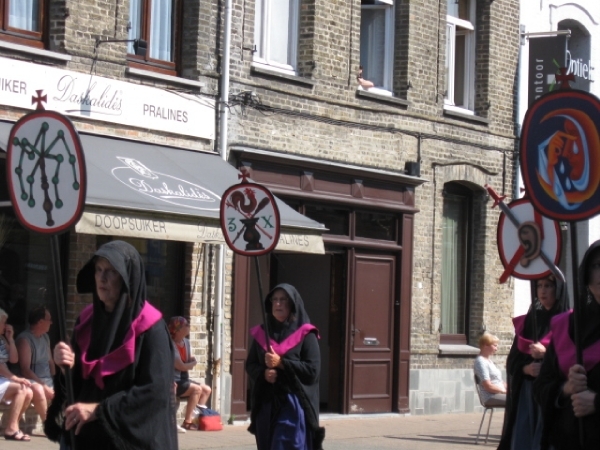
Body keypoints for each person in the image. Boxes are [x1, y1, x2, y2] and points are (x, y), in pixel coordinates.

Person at [44, 240, 177, 449]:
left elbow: (154, 393)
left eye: (112, 271)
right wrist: (66, 369)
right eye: (98, 270)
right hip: (85, 441)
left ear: (128, 279)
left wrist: (99, 411)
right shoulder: (86, 322)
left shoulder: (151, 328)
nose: (102, 278)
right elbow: (78, 388)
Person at [534, 240, 600, 449]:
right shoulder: (568, 325)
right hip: (567, 439)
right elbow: (542, 386)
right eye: (597, 266)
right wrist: (565, 388)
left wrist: (597, 403)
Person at [246, 283, 325, 450]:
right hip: (266, 405)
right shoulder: (263, 333)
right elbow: (251, 364)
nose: (278, 304)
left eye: (283, 300)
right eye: (274, 300)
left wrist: (282, 364)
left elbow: (312, 371)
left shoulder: (306, 334)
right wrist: (264, 373)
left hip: (293, 404)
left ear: (293, 304)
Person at [498, 275, 569, 450]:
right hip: (528, 392)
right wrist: (526, 369)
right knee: (524, 436)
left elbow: (572, 358)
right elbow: (513, 360)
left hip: (552, 392)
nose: (543, 291)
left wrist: (547, 354)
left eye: (548, 286)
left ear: (558, 289)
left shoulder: (567, 321)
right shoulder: (530, 321)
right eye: (539, 286)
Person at [168, 316, 212, 431]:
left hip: (183, 378)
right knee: (197, 389)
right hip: (174, 380)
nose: (189, 327)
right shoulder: (171, 345)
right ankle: (187, 422)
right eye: (186, 325)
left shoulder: (186, 342)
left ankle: (196, 418)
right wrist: (190, 364)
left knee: (206, 389)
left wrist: (189, 363)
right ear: (178, 329)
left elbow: (190, 359)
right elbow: (180, 366)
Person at [0, 307, 34, 441]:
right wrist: (15, 378)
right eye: (3, 322)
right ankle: (11, 429)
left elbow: (14, 359)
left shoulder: (2, 341)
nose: (6, 325)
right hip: (2, 379)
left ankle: (13, 426)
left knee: (29, 392)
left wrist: (11, 339)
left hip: (3, 380)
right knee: (21, 388)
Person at [16, 304, 56, 402]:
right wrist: (44, 386)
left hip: (48, 381)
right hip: (35, 382)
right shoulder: (25, 340)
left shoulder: (45, 337)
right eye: (49, 319)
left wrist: (55, 381)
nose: (51, 322)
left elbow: (50, 361)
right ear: (40, 322)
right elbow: (25, 370)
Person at [474, 332, 507, 407]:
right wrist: (504, 391)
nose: (496, 349)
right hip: (490, 396)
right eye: (495, 346)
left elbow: (499, 381)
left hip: (498, 393)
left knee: (521, 397)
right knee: (517, 400)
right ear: (486, 345)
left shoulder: (489, 361)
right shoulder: (480, 362)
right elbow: (488, 386)